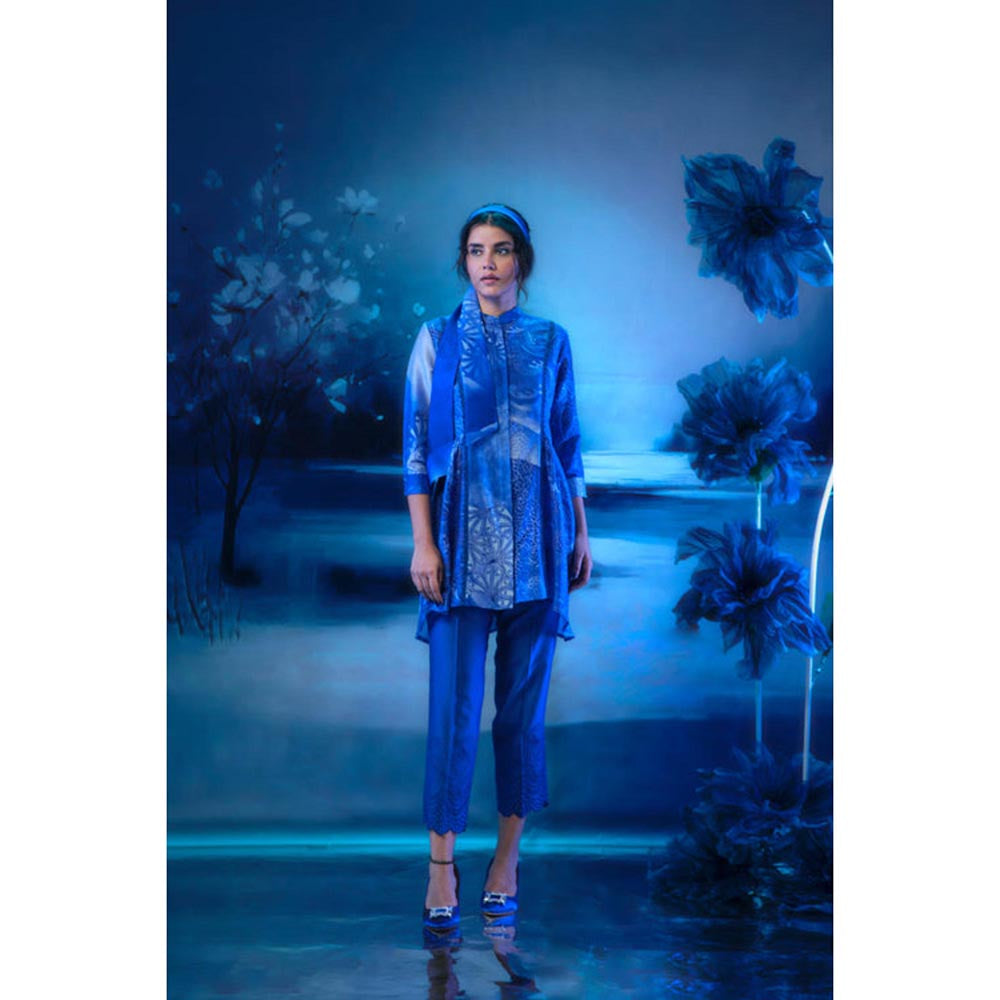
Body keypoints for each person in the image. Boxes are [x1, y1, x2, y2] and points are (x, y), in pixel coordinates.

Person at [403, 203, 592, 931]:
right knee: (452, 711)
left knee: (521, 713)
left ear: (522, 261)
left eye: (502, 249)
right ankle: (441, 865)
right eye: (477, 250)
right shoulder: (437, 340)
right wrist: (423, 543)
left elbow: (566, 443)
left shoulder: (551, 340)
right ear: (464, 261)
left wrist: (581, 532)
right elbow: (415, 447)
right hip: (458, 542)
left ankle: (508, 859)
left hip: (540, 542)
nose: (488, 262)